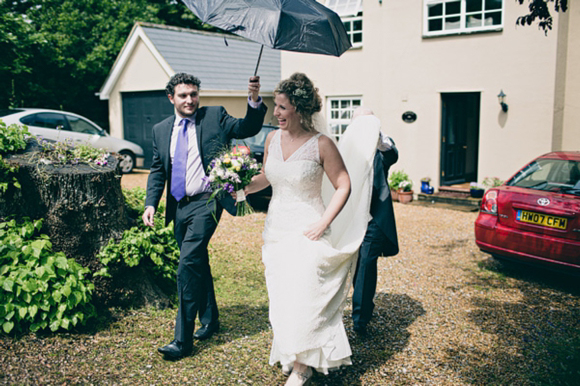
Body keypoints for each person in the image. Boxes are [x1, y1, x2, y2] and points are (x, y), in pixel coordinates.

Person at [245, 73, 371, 385]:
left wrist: (323, 222)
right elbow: (268, 177)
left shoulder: (322, 145)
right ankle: (292, 349)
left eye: (283, 107)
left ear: (300, 109)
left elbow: (343, 184)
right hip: (276, 229)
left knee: (307, 296)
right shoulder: (273, 139)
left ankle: (302, 366)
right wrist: (240, 186)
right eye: (276, 105)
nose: (276, 112)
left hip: (307, 229)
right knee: (283, 296)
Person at [142, 72, 267, 360]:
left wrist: (254, 99)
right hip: (178, 207)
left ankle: (182, 341)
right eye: (183, 95)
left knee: (187, 264)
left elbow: (247, 126)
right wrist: (151, 203)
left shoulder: (214, 116)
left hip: (207, 202)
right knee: (197, 261)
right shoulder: (160, 130)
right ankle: (210, 320)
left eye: (194, 94)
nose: (190, 100)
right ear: (171, 98)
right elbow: (158, 169)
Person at [347, 107, 399, 335]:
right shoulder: (345, 149)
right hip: (350, 218)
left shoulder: (381, 148)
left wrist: (376, 135)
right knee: (354, 267)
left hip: (374, 218)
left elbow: (392, 154)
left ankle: (360, 320)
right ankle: (363, 302)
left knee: (367, 264)